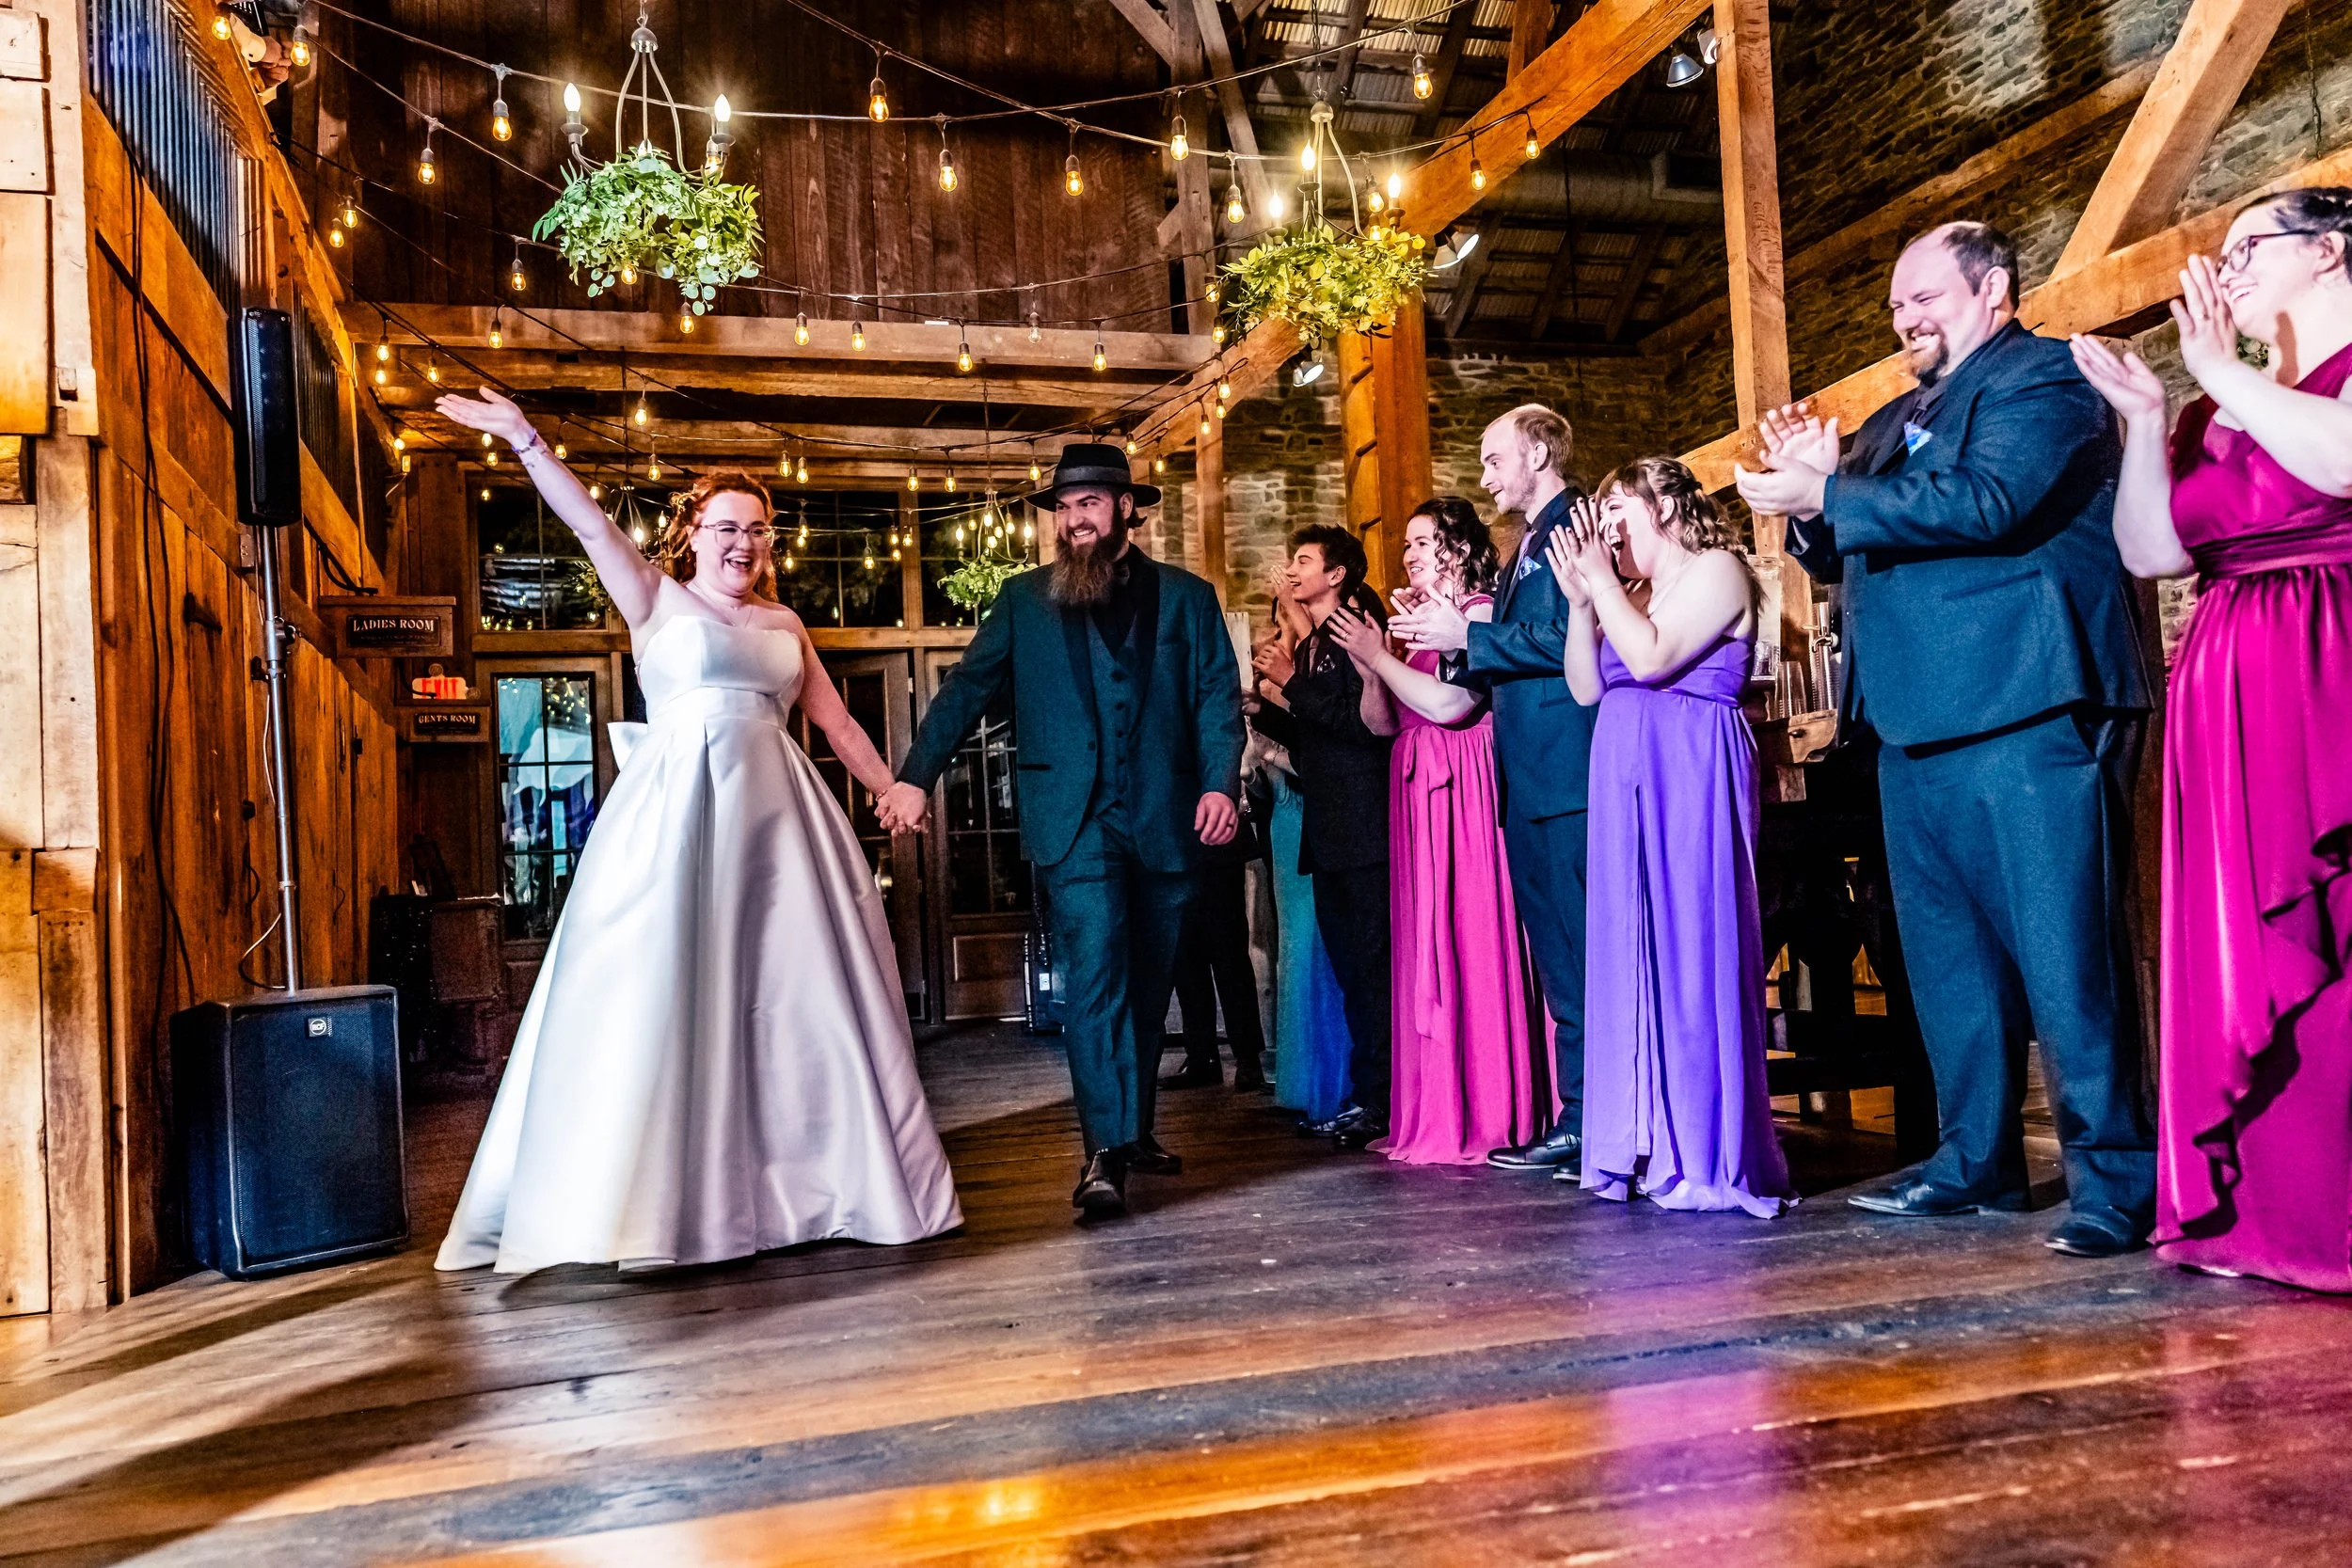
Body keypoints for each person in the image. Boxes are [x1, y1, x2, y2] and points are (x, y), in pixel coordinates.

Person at [430, 388, 961, 1274]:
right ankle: (654, 1200)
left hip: (776, 832)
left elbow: (834, 725)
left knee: (791, 1001)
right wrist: (525, 439)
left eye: (756, 528)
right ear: (693, 534)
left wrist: (892, 788)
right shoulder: (655, 602)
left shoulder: (785, 626)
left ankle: (809, 1183)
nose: (742, 542)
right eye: (725, 526)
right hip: (677, 824)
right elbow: (593, 525)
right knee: (664, 992)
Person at [1736, 220, 2156, 1259]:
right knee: (1947, 957)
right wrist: (1809, 500)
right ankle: (1976, 1160)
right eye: (1895, 306)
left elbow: (1990, 501)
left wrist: (1827, 489)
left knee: (2066, 955)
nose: (1904, 318)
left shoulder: (2043, 380)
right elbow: (1840, 546)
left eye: (1921, 297)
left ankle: (2117, 1180)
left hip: (2024, 701)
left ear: (1993, 290)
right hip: (1915, 719)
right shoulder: (1894, 416)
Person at [2069, 188, 2352, 1291]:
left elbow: (2339, 466)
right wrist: (2150, 421)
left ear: (2329, 250)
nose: (2221, 267)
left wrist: (2226, 369)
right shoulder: (2213, 407)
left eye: (2246, 248)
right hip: (2225, 675)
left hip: (2330, 655)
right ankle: (2250, 1203)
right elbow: (2149, 550)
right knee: (2233, 931)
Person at [879, 443, 1243, 1221]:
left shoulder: (1187, 598)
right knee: (1099, 973)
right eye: (1065, 507)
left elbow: (1216, 697)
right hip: (1073, 822)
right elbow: (968, 689)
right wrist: (915, 775)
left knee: (1147, 981)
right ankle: (1102, 1153)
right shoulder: (1022, 599)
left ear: (1125, 509)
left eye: (1090, 503)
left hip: (1167, 817)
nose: (1075, 519)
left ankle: (1133, 1127)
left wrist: (1220, 782)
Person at [1545, 461, 1792, 1214]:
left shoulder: (1719, 570)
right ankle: (1644, 1138)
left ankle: (1706, 1145)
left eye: (1618, 507)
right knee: (1632, 953)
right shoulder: (1635, 591)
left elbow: (1652, 658)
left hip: (1689, 770)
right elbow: (1588, 687)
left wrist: (1604, 582)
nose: (1606, 524)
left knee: (1692, 946)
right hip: (1625, 780)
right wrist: (1584, 603)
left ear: (1665, 507)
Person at [1392, 406, 1596, 1179]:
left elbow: (1566, 638)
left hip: (1564, 769)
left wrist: (1466, 640)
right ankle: (1578, 1116)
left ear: (1540, 451)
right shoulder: (1527, 543)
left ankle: (1595, 1117)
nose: (1484, 477)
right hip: (1530, 773)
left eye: (1493, 459)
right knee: (1561, 961)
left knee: (1581, 953)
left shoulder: (1572, 525)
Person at [1325, 498, 1547, 1164]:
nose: (1410, 554)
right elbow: (1385, 721)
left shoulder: (1477, 612)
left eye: (1423, 542)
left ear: (1456, 548)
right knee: (1429, 941)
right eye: (1409, 544)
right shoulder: (1420, 628)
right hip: (1417, 791)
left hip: (1463, 787)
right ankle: (1438, 1102)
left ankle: (1490, 1104)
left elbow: (1454, 703)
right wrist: (1373, 665)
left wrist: (1380, 656)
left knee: (1469, 934)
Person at [1251, 527, 1396, 1147]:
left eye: (1304, 560)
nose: (1292, 569)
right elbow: (1318, 737)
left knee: (1370, 970)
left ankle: (1381, 1102)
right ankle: (1364, 1097)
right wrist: (1267, 709)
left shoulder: (1351, 631)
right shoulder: (1312, 647)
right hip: (1330, 825)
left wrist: (1290, 681)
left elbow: (1364, 730)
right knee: (1348, 968)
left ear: (1336, 575)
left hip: (1364, 826)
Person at [1252, 728, 1356, 1125]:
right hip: (1283, 822)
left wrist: (1271, 752)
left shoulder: (1299, 691)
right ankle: (1300, 1081)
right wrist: (1255, 774)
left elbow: (1324, 762)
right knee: (1293, 952)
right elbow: (1265, 788)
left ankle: (1334, 1080)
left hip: (1311, 818)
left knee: (1319, 951)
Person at [1163, 792, 1270, 1092]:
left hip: (1216, 837)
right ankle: (1201, 1056)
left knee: (1229, 953)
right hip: (1171, 838)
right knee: (1185, 957)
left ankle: (1247, 1058)